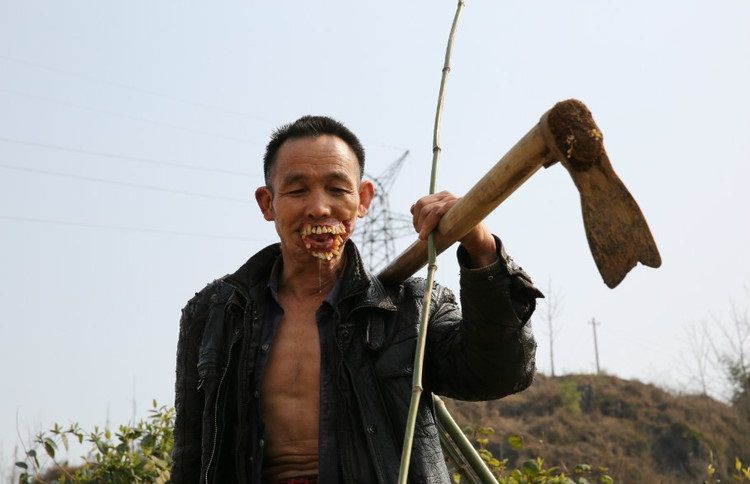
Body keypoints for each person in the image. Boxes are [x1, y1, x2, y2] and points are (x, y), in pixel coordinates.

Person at [171, 115, 542, 483]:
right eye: (298, 191)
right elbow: (190, 458)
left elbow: (500, 373)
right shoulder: (216, 314)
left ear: (363, 200)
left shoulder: (409, 309)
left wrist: (481, 246)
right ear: (268, 203)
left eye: (337, 190)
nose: (319, 207)